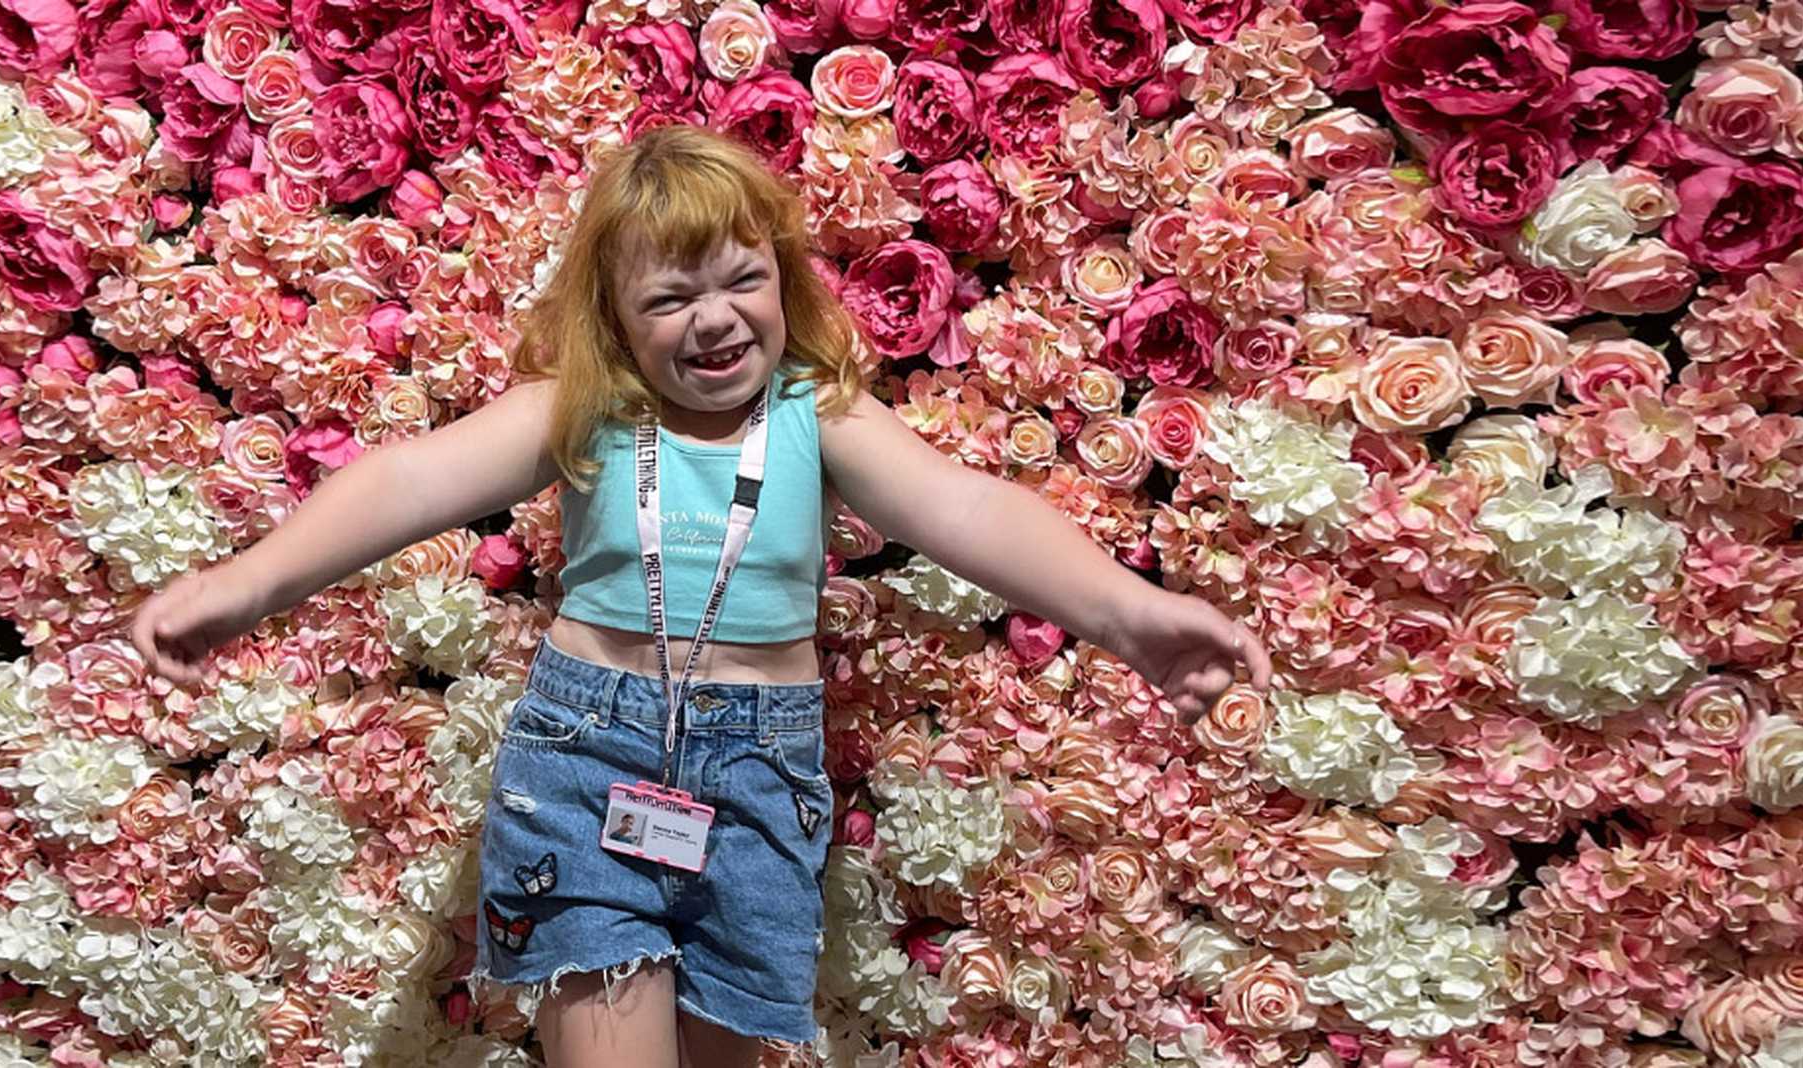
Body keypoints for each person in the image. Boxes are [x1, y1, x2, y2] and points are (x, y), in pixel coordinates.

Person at [130, 124, 1273, 1068]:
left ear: (782, 279)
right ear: (615, 318)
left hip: (757, 775)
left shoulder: (816, 418)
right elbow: (407, 479)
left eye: (742, 279)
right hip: (587, 759)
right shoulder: (580, 410)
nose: (715, 317)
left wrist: (1130, 615)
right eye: (671, 297)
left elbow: (968, 510)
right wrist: (246, 585)